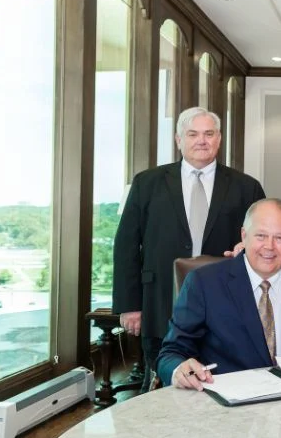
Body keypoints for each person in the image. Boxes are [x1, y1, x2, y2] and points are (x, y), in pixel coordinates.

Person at [113, 107, 265, 391]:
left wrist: (246, 248)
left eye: (209, 134)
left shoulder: (246, 187)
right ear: (178, 139)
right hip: (160, 302)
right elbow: (126, 246)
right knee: (163, 383)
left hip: (224, 306)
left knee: (221, 385)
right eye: (192, 134)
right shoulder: (147, 183)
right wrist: (130, 305)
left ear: (219, 139)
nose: (201, 140)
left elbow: (262, 238)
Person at [156, 199, 281, 390]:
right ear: (244, 235)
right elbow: (171, 353)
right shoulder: (203, 283)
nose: (269, 246)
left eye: (279, 238)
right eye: (261, 236)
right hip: (227, 406)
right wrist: (179, 370)